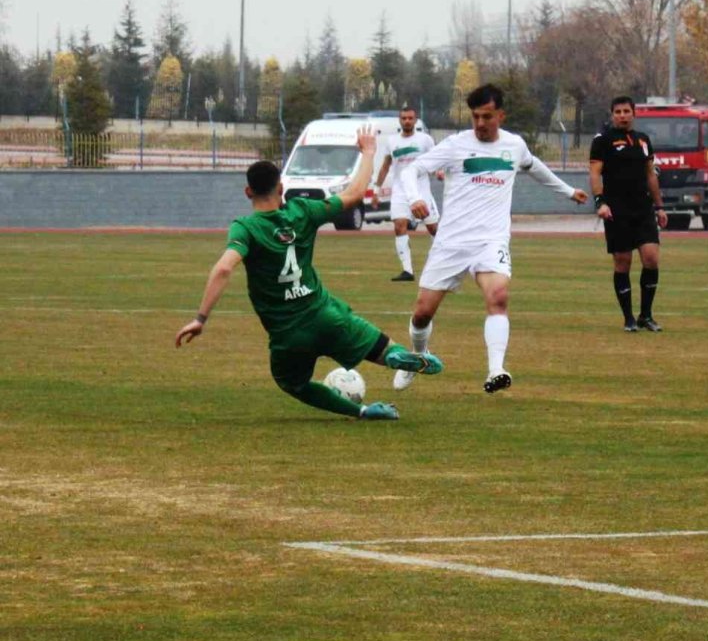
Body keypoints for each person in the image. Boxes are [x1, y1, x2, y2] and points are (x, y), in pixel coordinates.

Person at [175, 129, 443, 421]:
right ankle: (396, 357)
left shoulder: (246, 227)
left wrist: (200, 318)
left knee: (293, 383)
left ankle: (363, 411)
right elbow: (354, 194)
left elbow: (225, 267)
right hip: (324, 314)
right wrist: (368, 152)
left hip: (288, 335)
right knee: (375, 345)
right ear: (282, 187)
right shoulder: (303, 211)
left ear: (248, 192)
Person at [394, 83, 589, 394]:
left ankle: (495, 370)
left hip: (491, 241)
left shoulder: (514, 145)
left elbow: (533, 166)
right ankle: (418, 356)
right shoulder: (456, 145)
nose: (481, 124)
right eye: (475, 117)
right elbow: (412, 170)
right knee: (422, 313)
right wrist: (415, 197)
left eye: (487, 116)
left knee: (498, 298)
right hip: (452, 242)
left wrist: (567, 191)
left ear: (501, 114)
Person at [589, 95, 668, 333]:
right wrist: (600, 202)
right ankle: (628, 318)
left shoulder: (643, 140)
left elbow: (650, 175)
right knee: (623, 262)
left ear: (634, 113)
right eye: (618, 112)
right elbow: (594, 173)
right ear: (612, 115)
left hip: (642, 208)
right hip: (616, 210)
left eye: (626, 111)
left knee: (651, 258)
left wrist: (660, 206)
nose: (622, 115)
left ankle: (646, 315)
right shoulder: (602, 141)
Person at [374, 104, 440, 282]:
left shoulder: (425, 140)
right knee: (399, 226)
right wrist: (376, 189)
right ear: (400, 120)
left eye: (410, 118)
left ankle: (436, 264)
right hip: (400, 192)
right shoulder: (392, 142)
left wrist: (438, 172)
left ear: (415, 120)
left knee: (434, 229)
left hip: (422, 191)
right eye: (404, 118)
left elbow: (434, 160)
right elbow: (386, 165)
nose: (407, 121)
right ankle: (407, 271)